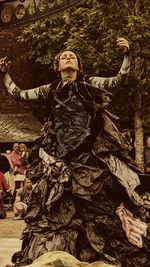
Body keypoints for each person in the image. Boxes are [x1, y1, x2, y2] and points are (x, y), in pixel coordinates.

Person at [0, 37, 150, 267]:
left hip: (90, 157)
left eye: (72, 56)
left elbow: (119, 79)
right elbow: (19, 94)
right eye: (64, 57)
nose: (68, 58)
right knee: (58, 208)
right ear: (58, 66)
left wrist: (127, 55)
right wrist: (5, 75)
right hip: (60, 158)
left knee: (96, 205)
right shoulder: (50, 89)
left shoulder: (89, 83)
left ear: (78, 66)